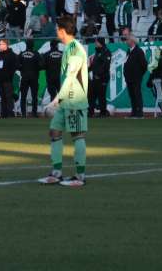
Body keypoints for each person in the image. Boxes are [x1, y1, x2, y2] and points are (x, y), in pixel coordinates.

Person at [39, 15, 88, 188]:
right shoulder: (69, 48)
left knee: (77, 134)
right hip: (66, 98)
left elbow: (71, 76)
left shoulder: (75, 49)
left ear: (62, 31)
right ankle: (57, 172)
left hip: (75, 98)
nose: (56, 32)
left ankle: (80, 176)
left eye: (57, 29)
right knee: (54, 131)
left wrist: (56, 100)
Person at [0, 39, 18, 118]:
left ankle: (10, 113)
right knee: (2, 97)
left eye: (0, 44)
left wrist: (9, 75)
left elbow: (14, 67)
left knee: (8, 97)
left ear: (5, 45)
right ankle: (3, 113)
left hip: (7, 80)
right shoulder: (0, 55)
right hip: (0, 79)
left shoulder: (12, 55)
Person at [122, 29, 148, 118]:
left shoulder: (139, 51)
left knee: (137, 95)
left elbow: (144, 65)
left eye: (128, 40)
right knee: (132, 95)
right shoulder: (128, 51)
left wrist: (139, 74)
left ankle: (139, 112)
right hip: (129, 78)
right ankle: (134, 112)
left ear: (132, 41)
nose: (126, 41)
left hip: (136, 77)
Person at [88, 38, 111, 117]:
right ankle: (91, 112)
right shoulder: (97, 52)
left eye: (96, 42)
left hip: (103, 78)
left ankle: (103, 112)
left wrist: (99, 74)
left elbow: (106, 65)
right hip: (95, 77)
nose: (95, 43)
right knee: (91, 94)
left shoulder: (106, 52)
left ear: (100, 43)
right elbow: (93, 65)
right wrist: (86, 70)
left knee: (101, 95)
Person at [18, 42, 41, 117]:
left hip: (24, 77)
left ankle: (23, 113)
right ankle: (34, 113)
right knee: (34, 96)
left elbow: (17, 65)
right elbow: (41, 65)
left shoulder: (22, 54)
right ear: (33, 46)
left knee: (23, 96)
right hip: (34, 77)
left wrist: (22, 69)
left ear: (26, 45)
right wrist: (36, 69)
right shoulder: (36, 54)